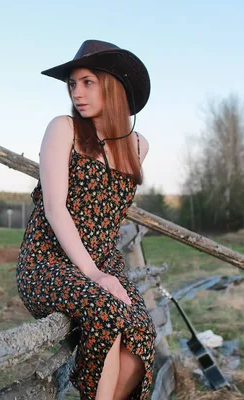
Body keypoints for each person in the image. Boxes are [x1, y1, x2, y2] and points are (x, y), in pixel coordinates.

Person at [16, 40, 156, 400]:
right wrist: (93, 274)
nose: (77, 92)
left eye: (87, 82)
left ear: (113, 85)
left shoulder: (138, 145)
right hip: (49, 261)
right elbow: (54, 207)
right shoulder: (64, 128)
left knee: (141, 331)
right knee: (107, 314)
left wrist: (102, 269)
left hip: (104, 261)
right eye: (72, 84)